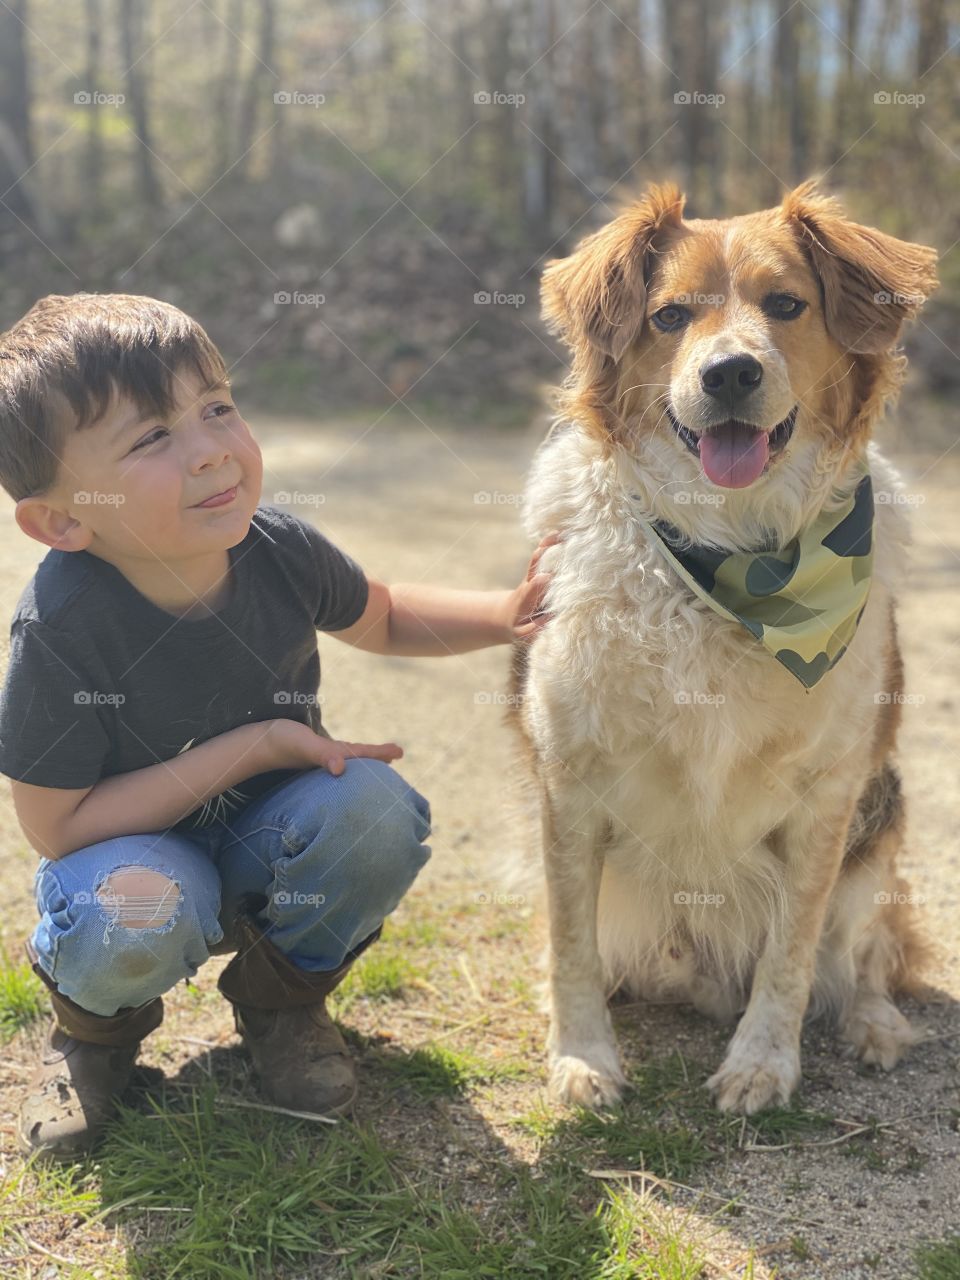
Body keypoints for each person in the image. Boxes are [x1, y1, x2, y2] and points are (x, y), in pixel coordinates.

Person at [0, 292, 553, 1161]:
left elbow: (383, 613)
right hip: (132, 866)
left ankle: (281, 1006)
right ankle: (95, 1039)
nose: (210, 449)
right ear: (63, 519)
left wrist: (504, 613)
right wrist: (252, 748)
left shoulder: (278, 549)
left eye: (217, 408)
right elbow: (56, 827)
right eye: (152, 437)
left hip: (269, 847)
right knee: (137, 906)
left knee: (373, 811)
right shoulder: (61, 629)